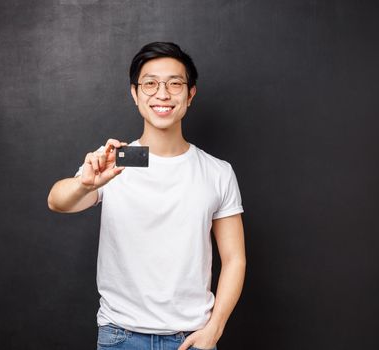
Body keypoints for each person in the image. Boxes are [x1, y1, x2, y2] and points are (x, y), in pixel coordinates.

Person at [47, 42, 246, 350]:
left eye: (175, 84)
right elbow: (57, 202)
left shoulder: (217, 171)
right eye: (150, 84)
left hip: (192, 338)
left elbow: (234, 259)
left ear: (190, 94)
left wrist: (215, 329)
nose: (162, 94)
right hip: (120, 336)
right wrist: (85, 184)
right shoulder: (119, 160)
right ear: (135, 93)